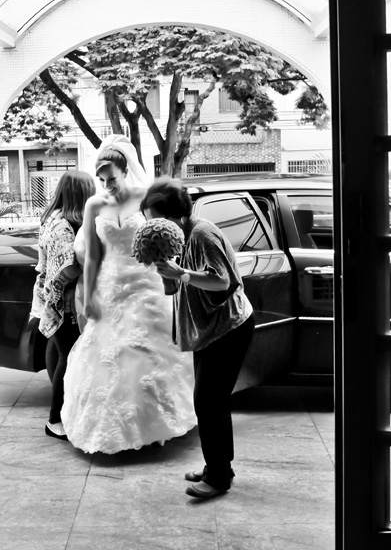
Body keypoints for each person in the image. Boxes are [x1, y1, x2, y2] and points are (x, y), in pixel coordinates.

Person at [60, 135, 196, 454]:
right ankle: (116, 429)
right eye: (102, 180)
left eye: (112, 179)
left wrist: (168, 269)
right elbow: (92, 256)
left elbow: (163, 236)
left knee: (145, 349)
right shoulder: (94, 205)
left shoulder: (144, 199)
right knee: (109, 353)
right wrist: (89, 296)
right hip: (111, 284)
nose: (107, 186)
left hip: (145, 282)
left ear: (125, 172)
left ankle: (153, 424)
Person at [141, 176, 255, 500]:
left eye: (157, 221)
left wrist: (182, 274)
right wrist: (168, 272)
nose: (153, 228)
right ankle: (218, 468)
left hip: (229, 327)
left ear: (176, 215)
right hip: (208, 330)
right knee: (210, 402)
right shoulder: (179, 238)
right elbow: (176, 287)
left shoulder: (203, 233)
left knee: (208, 401)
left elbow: (223, 281)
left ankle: (218, 477)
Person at [31, 170, 96, 441]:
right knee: (67, 359)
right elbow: (67, 268)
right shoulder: (62, 227)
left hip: (54, 298)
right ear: (81, 194)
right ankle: (54, 420)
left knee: (62, 355)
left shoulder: (53, 218)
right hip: (61, 302)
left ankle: (63, 415)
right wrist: (91, 267)